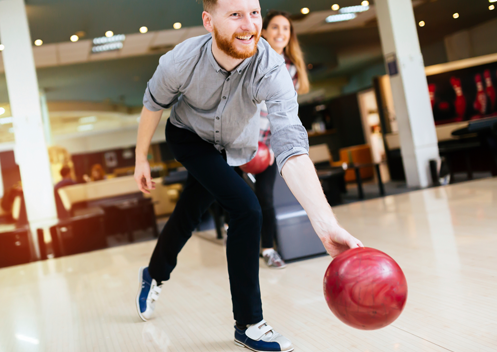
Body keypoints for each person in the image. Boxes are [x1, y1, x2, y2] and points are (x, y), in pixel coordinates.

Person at [134, 0, 363, 351]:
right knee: (247, 208)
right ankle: (250, 323)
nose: (249, 24)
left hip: (230, 145)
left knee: (190, 212)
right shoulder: (181, 60)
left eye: (254, 13)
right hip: (188, 137)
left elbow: (290, 141)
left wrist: (325, 223)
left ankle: (153, 274)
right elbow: (153, 104)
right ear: (209, 21)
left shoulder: (271, 67)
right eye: (236, 14)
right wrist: (140, 158)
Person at [250, 9, 311, 269]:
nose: (280, 33)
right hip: (238, 141)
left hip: (266, 145)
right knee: (236, 199)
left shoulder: (292, 69)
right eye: (275, 27)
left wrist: (277, 146)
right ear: (263, 31)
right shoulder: (250, 60)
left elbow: (285, 113)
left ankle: (268, 249)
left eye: (285, 29)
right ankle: (239, 235)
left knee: (265, 197)